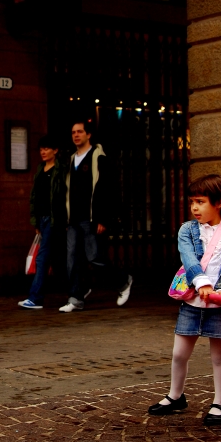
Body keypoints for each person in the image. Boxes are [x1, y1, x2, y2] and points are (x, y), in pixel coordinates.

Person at [147, 174, 221, 426]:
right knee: (179, 353)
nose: (195, 207)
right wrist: (202, 283)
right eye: (192, 202)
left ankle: (219, 402)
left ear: (219, 202)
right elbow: (189, 259)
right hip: (192, 303)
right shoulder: (187, 230)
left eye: (201, 201)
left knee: (219, 357)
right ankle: (175, 395)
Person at [59, 120, 133, 313]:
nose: (76, 135)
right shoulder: (70, 159)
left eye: (80, 132)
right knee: (71, 259)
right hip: (73, 218)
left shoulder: (98, 157)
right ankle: (75, 298)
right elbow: (66, 191)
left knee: (94, 257)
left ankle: (123, 281)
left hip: (91, 217)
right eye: (73, 132)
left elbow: (107, 189)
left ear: (88, 135)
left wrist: (103, 218)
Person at [18, 135, 67, 309]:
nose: (43, 152)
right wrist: (36, 222)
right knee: (58, 260)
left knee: (43, 257)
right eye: (41, 149)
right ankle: (79, 289)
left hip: (55, 220)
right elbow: (35, 197)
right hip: (43, 219)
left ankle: (36, 297)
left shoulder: (61, 170)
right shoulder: (40, 169)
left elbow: (64, 197)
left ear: (55, 151)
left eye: (46, 149)